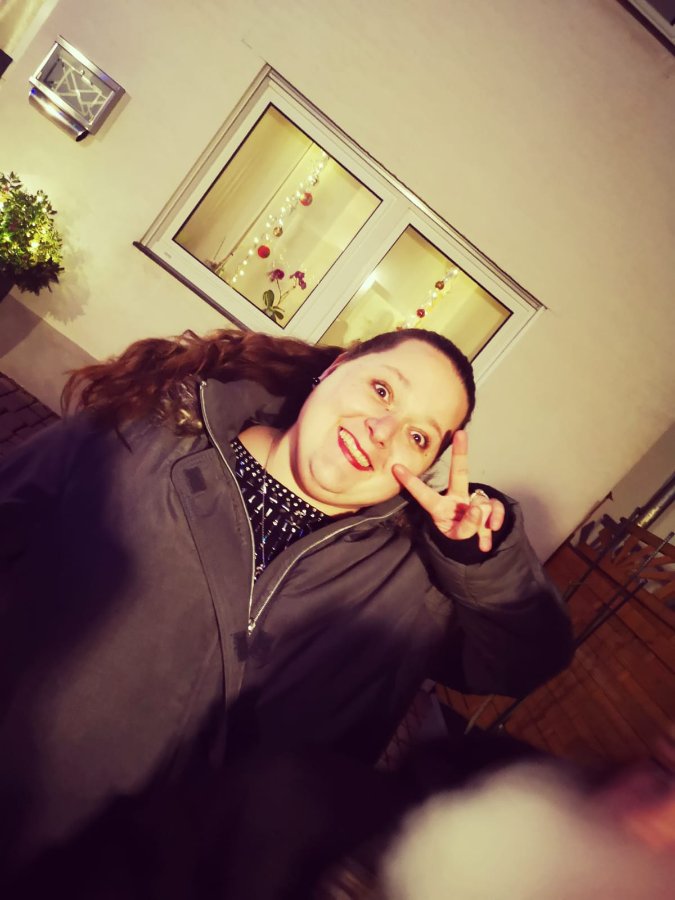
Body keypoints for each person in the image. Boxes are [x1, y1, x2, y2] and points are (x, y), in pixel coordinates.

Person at [0, 327, 572, 871]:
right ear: (334, 369)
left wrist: (477, 559)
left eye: (418, 436)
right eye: (382, 390)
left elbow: (524, 660)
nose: (383, 431)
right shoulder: (152, 436)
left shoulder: (412, 582)